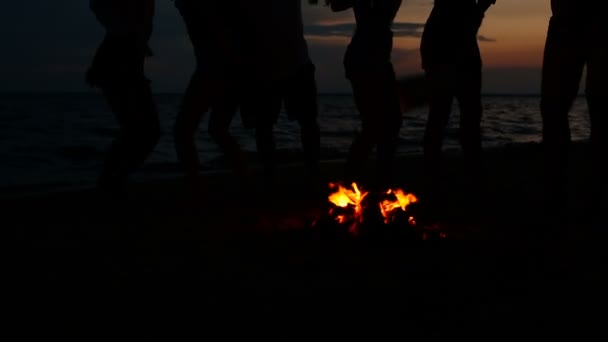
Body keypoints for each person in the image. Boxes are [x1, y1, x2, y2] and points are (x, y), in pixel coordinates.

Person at [419, 0, 495, 214]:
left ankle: (461, 176)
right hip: (450, 55)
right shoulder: (449, 10)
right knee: (449, 119)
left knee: (454, 119)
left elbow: (467, 23)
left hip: (452, 55)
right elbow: (466, 23)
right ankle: (451, 176)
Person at [173, 0, 249, 200]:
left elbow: (220, 36)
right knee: (216, 129)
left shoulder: (203, 10)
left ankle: (196, 187)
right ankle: (243, 180)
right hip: (231, 69)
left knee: (184, 130)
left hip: (216, 70)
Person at [244, 0, 322, 194]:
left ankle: (310, 173)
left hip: (291, 63)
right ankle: (272, 176)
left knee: (305, 123)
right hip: (268, 65)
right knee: (266, 125)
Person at [540, 1, 608, 223]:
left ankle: (579, 197)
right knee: (554, 109)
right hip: (568, 21)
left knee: (595, 110)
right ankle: (558, 194)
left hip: (585, 21)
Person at [326, 0, 404, 191]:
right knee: (378, 124)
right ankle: (355, 180)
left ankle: (374, 181)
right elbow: (337, 5)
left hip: (374, 58)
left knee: (387, 123)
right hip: (365, 59)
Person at [86, 0, 160, 199]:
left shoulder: (142, 11)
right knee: (138, 130)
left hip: (128, 67)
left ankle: (112, 181)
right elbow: (114, 25)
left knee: (145, 131)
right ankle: (109, 183)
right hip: (117, 67)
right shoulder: (125, 14)